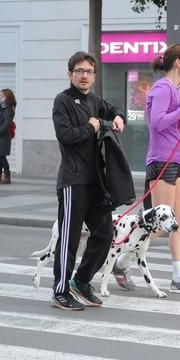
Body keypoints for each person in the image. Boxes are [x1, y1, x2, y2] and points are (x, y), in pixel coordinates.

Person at [50, 50, 125, 311]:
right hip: (73, 180)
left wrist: (118, 117)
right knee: (69, 238)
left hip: (96, 182)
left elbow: (112, 109)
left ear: (94, 76)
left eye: (89, 71)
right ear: (70, 74)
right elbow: (65, 136)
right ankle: (59, 290)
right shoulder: (63, 101)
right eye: (79, 71)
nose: (84, 75)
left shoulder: (93, 100)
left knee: (105, 233)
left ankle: (81, 281)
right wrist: (91, 128)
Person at [137, 43, 180, 294]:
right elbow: (156, 123)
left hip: (179, 160)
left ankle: (179, 278)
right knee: (158, 224)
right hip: (162, 161)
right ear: (178, 62)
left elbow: (172, 121)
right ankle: (122, 261)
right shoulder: (163, 88)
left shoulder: (177, 90)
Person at [0, 88, 16, 184]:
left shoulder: (9, 110)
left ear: (7, 98)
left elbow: (7, 124)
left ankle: (7, 177)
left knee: (2, 156)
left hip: (4, 136)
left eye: (2, 96)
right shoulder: (2, 108)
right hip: (0, 135)